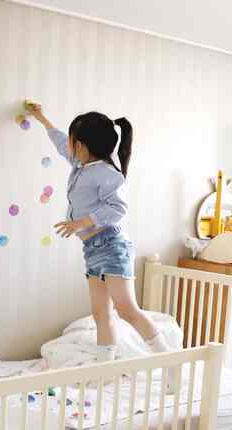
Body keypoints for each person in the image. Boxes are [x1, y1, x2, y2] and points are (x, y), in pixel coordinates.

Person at [28, 103, 173, 366]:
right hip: (93, 249)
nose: (69, 146)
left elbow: (118, 209)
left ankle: (169, 361)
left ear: (81, 145)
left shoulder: (107, 173)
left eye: (73, 141)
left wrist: (81, 222)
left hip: (111, 246)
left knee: (126, 309)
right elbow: (60, 141)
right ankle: (105, 367)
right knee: (100, 313)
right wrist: (41, 117)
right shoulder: (79, 163)